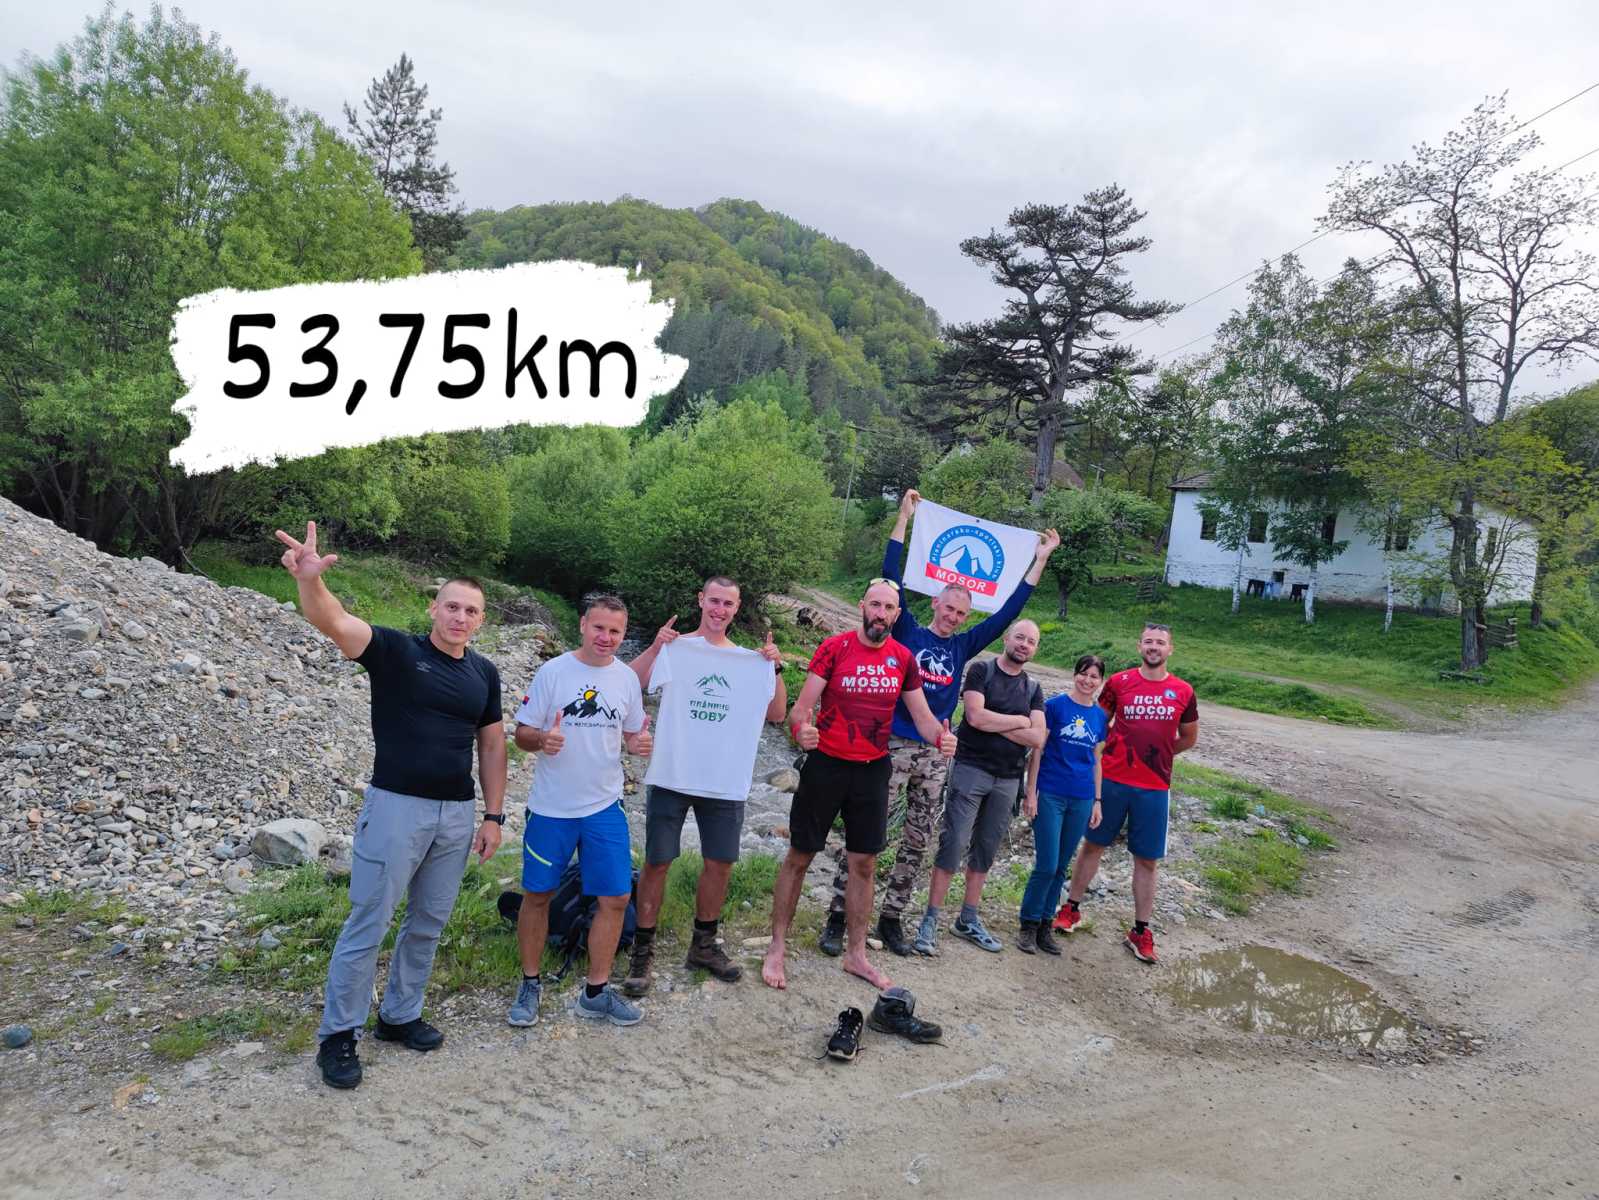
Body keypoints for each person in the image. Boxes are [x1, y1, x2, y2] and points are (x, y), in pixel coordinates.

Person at [274, 522, 507, 1091]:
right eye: (451, 606)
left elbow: (492, 744)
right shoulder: (398, 652)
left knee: (428, 922)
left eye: (471, 611)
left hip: (456, 814)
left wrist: (493, 815)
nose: (460, 617)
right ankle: (338, 1034)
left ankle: (400, 1015)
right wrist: (310, 581)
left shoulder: (484, 673)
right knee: (370, 920)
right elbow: (334, 621)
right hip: (397, 807)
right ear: (434, 609)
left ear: (481, 620)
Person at [821, 489, 1061, 957]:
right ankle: (837, 916)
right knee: (868, 833)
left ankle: (892, 918)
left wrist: (1040, 560)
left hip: (935, 755)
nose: (952, 617)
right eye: (948, 609)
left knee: (918, 838)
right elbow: (891, 576)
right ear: (935, 604)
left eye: (961, 613)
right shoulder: (908, 630)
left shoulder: (964, 646)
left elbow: (1010, 612)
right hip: (891, 744)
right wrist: (903, 519)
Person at [762, 580, 956, 992]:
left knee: (864, 863)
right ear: (862, 606)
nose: (881, 613)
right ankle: (777, 946)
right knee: (800, 855)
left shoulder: (903, 658)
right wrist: (801, 731)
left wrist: (941, 738)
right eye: (875, 605)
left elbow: (923, 718)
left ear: (897, 615)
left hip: (872, 769)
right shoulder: (834, 648)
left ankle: (856, 955)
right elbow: (800, 710)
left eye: (889, 608)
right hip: (827, 764)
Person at [616, 577, 787, 996]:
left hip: (725, 779)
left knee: (720, 863)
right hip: (672, 773)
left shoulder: (751, 661)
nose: (719, 610)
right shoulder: (677, 649)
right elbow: (629, 684)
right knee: (657, 861)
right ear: (701, 600)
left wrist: (776, 667)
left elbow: (778, 714)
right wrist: (656, 646)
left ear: (737, 608)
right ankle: (643, 951)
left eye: (728, 603)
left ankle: (703, 946)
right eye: (714, 601)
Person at [507, 594, 653, 1028]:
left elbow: (632, 735)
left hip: (604, 805)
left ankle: (595, 992)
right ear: (583, 625)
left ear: (623, 635)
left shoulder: (626, 679)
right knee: (537, 895)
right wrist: (541, 740)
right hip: (551, 807)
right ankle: (530, 983)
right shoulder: (553, 672)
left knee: (616, 897)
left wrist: (639, 744)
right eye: (599, 627)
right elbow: (521, 734)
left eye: (615, 631)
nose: (606, 637)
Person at [1053, 624, 1199, 964]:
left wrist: (1160, 755)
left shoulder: (1183, 690)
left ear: (1170, 649)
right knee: (1093, 844)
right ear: (1139, 646)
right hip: (1113, 780)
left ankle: (1141, 931)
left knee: (1147, 859)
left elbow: (1189, 737)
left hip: (1154, 786)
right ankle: (1071, 908)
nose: (1153, 647)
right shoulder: (1119, 683)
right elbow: (1096, 724)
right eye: (1148, 641)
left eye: (1160, 642)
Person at [914, 620, 1046, 956]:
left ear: (1035, 649)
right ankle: (930, 919)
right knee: (953, 843)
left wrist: (995, 721)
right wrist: (1019, 721)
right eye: (1019, 637)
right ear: (1006, 638)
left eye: (1031, 641)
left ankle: (968, 919)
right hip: (971, 770)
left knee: (986, 848)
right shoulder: (980, 671)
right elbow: (974, 717)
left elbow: (1037, 738)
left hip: (1009, 779)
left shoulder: (1033, 688)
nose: (1024, 644)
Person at [1018, 654, 1108, 955]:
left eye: (1094, 676)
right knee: (1046, 863)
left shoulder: (1099, 717)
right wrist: (1031, 792)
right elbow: (1038, 750)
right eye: (1083, 673)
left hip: (1082, 796)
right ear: (1074, 675)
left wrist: (1097, 800)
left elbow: (1096, 760)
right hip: (1051, 793)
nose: (1087, 680)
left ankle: (1045, 924)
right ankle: (1028, 924)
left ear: (1100, 682)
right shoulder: (1055, 707)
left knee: (1060, 867)